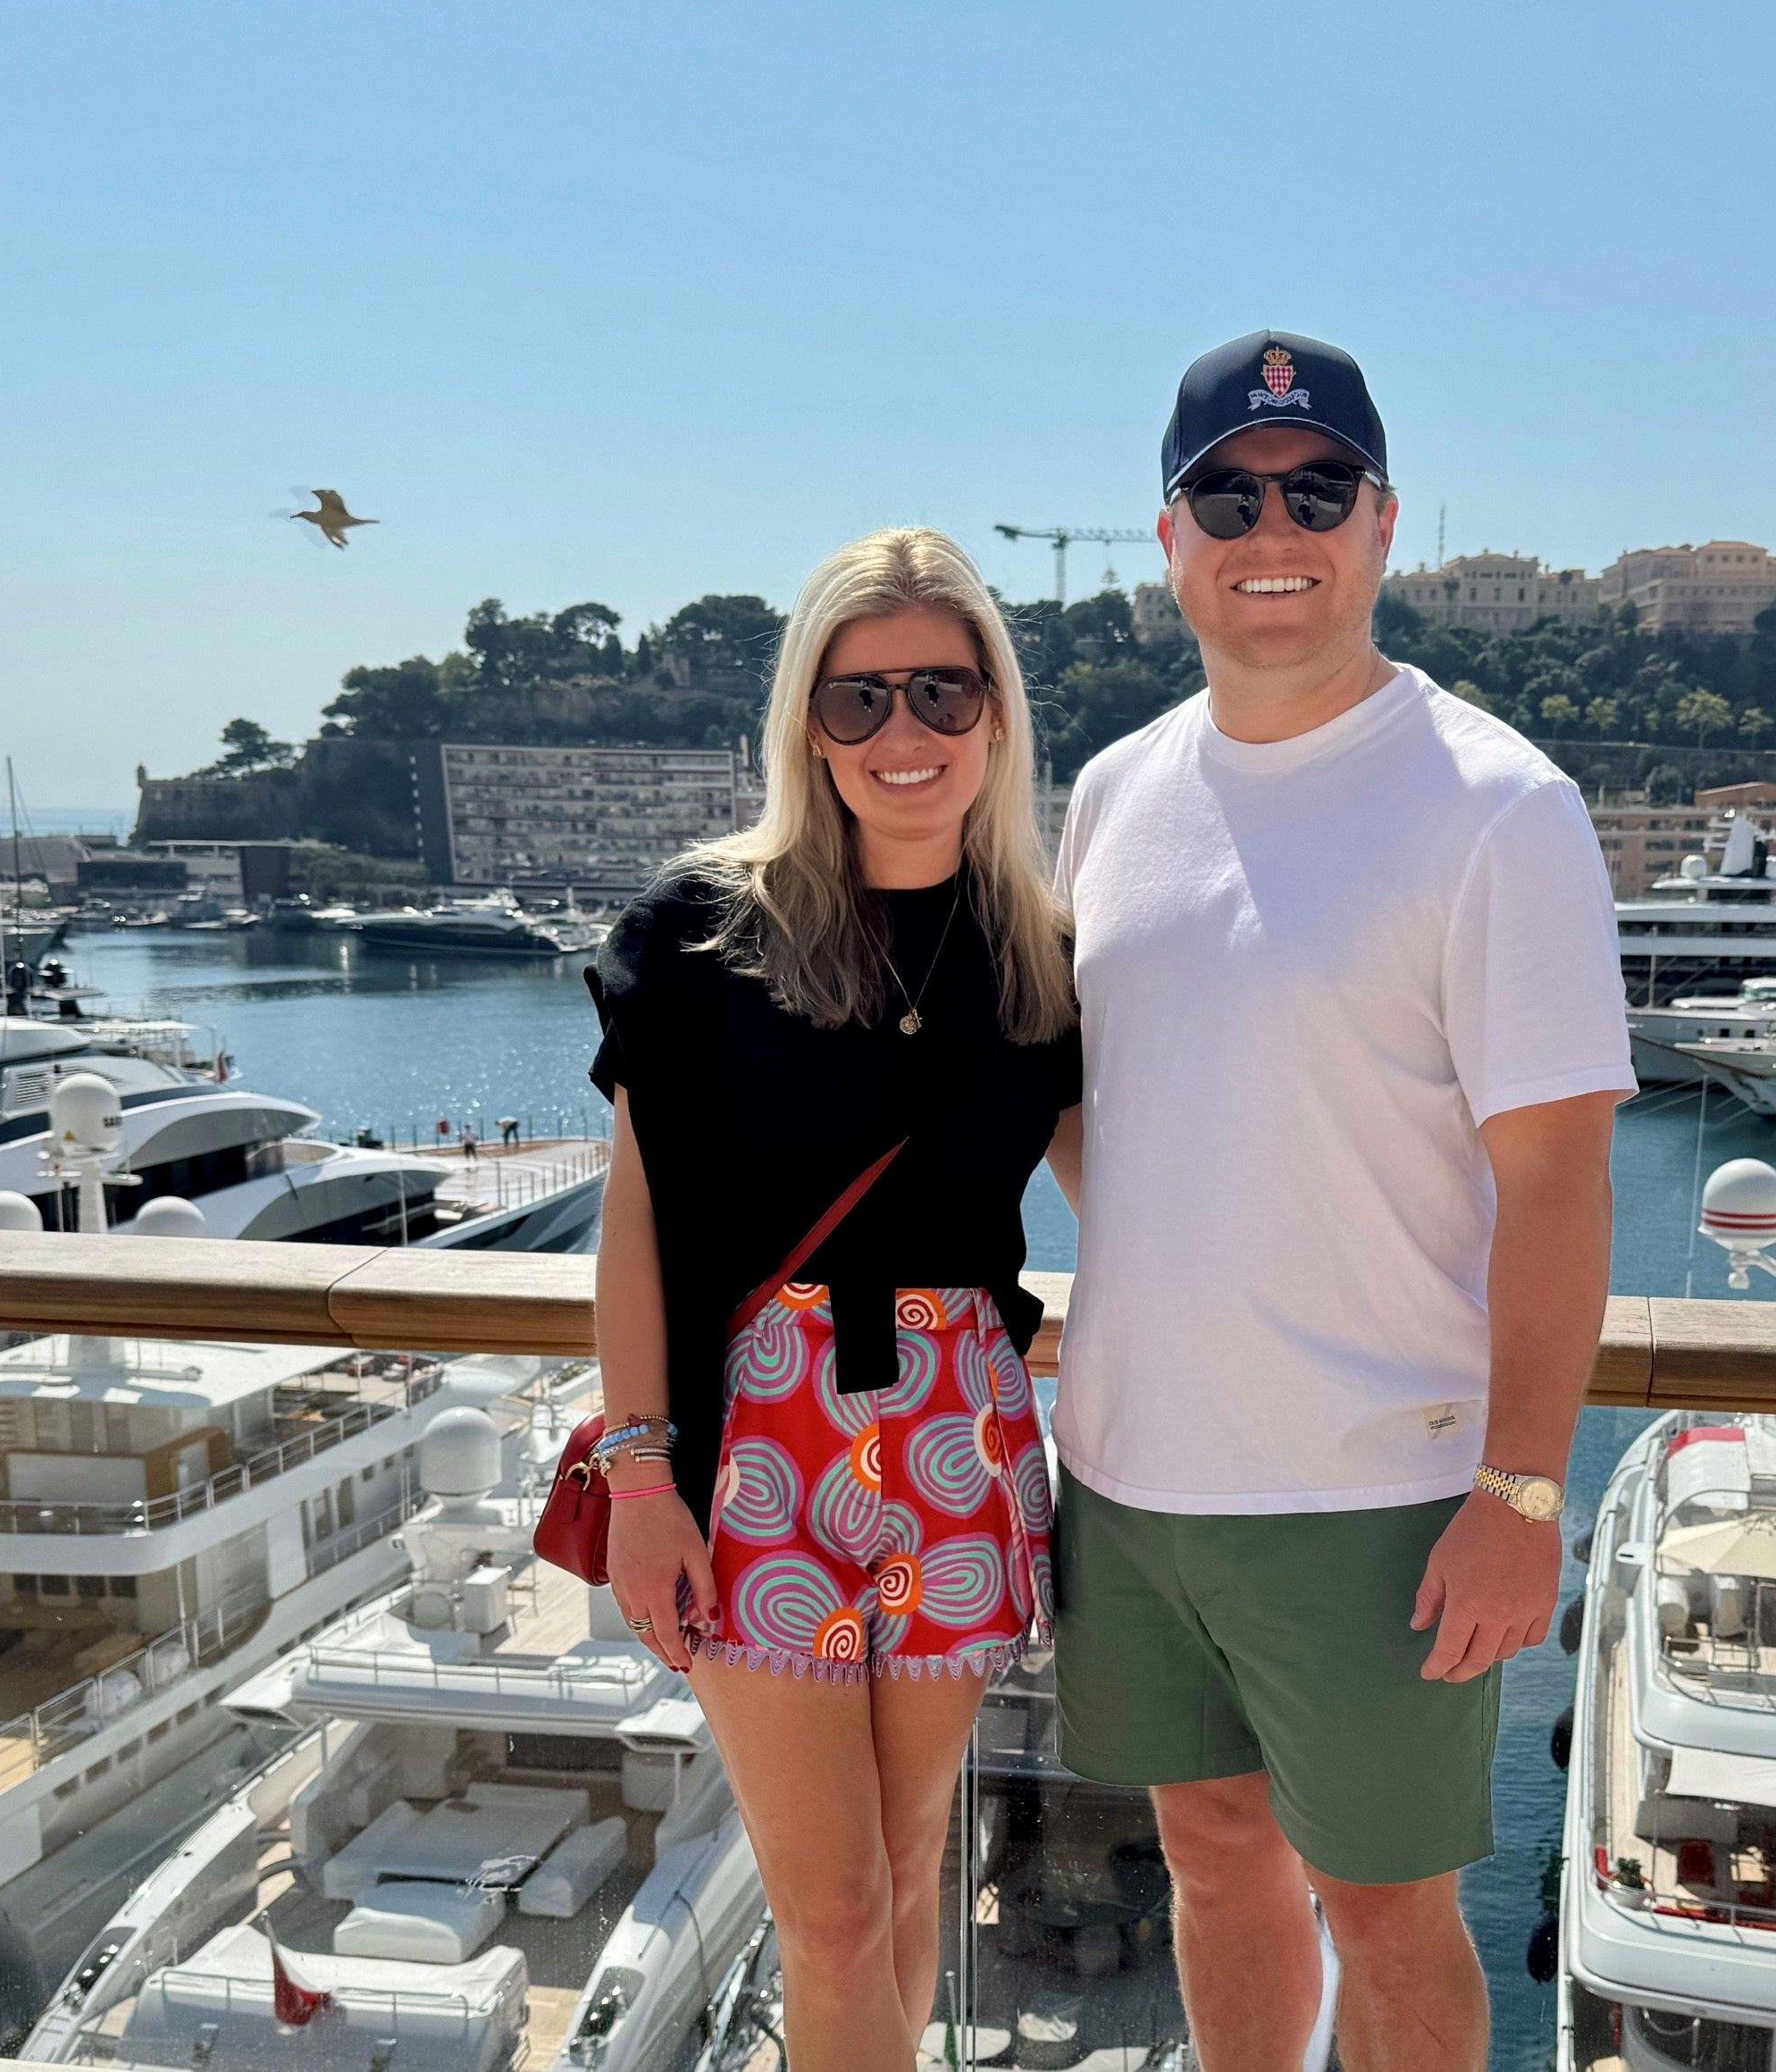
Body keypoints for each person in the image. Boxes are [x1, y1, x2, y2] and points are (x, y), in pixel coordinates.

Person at [1052, 331, 1633, 2070]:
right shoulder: (1113, 794)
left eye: (1316, 489)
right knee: (1210, 1856)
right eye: (1228, 496)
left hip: (1378, 1491)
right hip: (1134, 1475)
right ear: (1171, 537)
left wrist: (1522, 1487)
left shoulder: (1501, 807)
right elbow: (1101, 1112)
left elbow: (1559, 1184)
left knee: (1388, 1917)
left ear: (1384, 523)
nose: (1273, 530)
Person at [586, 526, 1082, 2070]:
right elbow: (634, 1223)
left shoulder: (1045, 958)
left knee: (909, 1865)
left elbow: (1145, 1199)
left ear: (995, 712)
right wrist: (640, 1477)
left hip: (962, 1439)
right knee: (836, 1907)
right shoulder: (701, 934)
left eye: (942, 690)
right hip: (757, 1445)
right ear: (808, 722)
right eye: (859, 697)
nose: (903, 730)